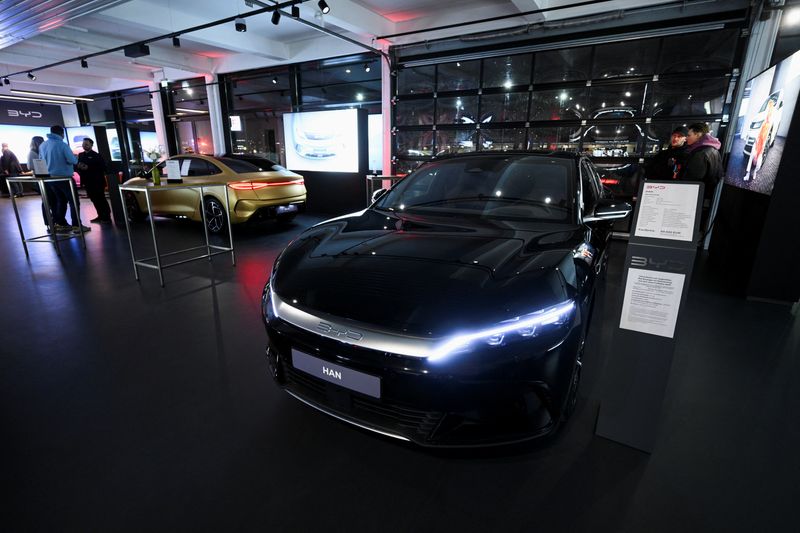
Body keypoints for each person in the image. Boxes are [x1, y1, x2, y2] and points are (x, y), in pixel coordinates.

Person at [38, 125, 90, 234]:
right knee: (74, 201)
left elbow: (40, 161)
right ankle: (76, 225)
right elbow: (71, 160)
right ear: (61, 133)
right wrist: (76, 160)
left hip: (51, 179)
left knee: (60, 200)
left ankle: (60, 223)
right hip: (64, 178)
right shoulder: (62, 145)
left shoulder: (43, 145)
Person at [683, 122, 723, 229]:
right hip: (706, 199)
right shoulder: (713, 150)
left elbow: (691, 182)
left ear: (698, 134)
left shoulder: (700, 153)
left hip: (694, 202)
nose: (686, 138)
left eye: (689, 135)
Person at [76, 138, 111, 223]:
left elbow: (103, 167)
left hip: (97, 181)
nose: (84, 145)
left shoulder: (97, 155)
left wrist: (89, 167)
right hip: (87, 181)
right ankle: (100, 215)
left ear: (91, 145)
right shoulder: (80, 155)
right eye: (83, 144)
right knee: (93, 199)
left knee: (100, 198)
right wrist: (79, 167)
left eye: (87, 144)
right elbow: (77, 166)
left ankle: (106, 216)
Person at [744, 98, 776, 182]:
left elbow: (766, 137)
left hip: (762, 144)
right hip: (757, 142)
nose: (770, 110)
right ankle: (747, 174)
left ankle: (754, 172)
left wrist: (763, 145)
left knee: (758, 162)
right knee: (751, 158)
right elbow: (758, 132)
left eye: (771, 107)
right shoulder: (764, 120)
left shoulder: (770, 123)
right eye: (769, 107)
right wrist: (756, 140)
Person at [26, 136, 54, 229]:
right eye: (40, 141)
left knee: (51, 199)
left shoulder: (41, 151)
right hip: (40, 178)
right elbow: (30, 166)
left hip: (47, 177)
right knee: (46, 200)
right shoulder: (32, 153)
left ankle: (53, 221)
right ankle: (48, 222)